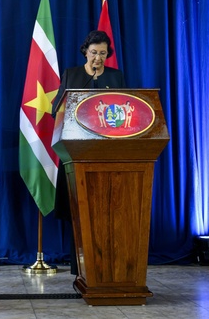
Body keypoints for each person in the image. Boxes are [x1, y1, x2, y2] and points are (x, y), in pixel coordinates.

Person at [51, 30, 126, 275]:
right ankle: (80, 268)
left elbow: (127, 111)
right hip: (77, 153)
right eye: (94, 52)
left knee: (108, 211)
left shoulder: (116, 77)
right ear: (85, 52)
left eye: (103, 53)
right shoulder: (72, 75)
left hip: (108, 154)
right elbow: (56, 110)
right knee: (79, 210)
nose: (98, 58)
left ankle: (107, 266)